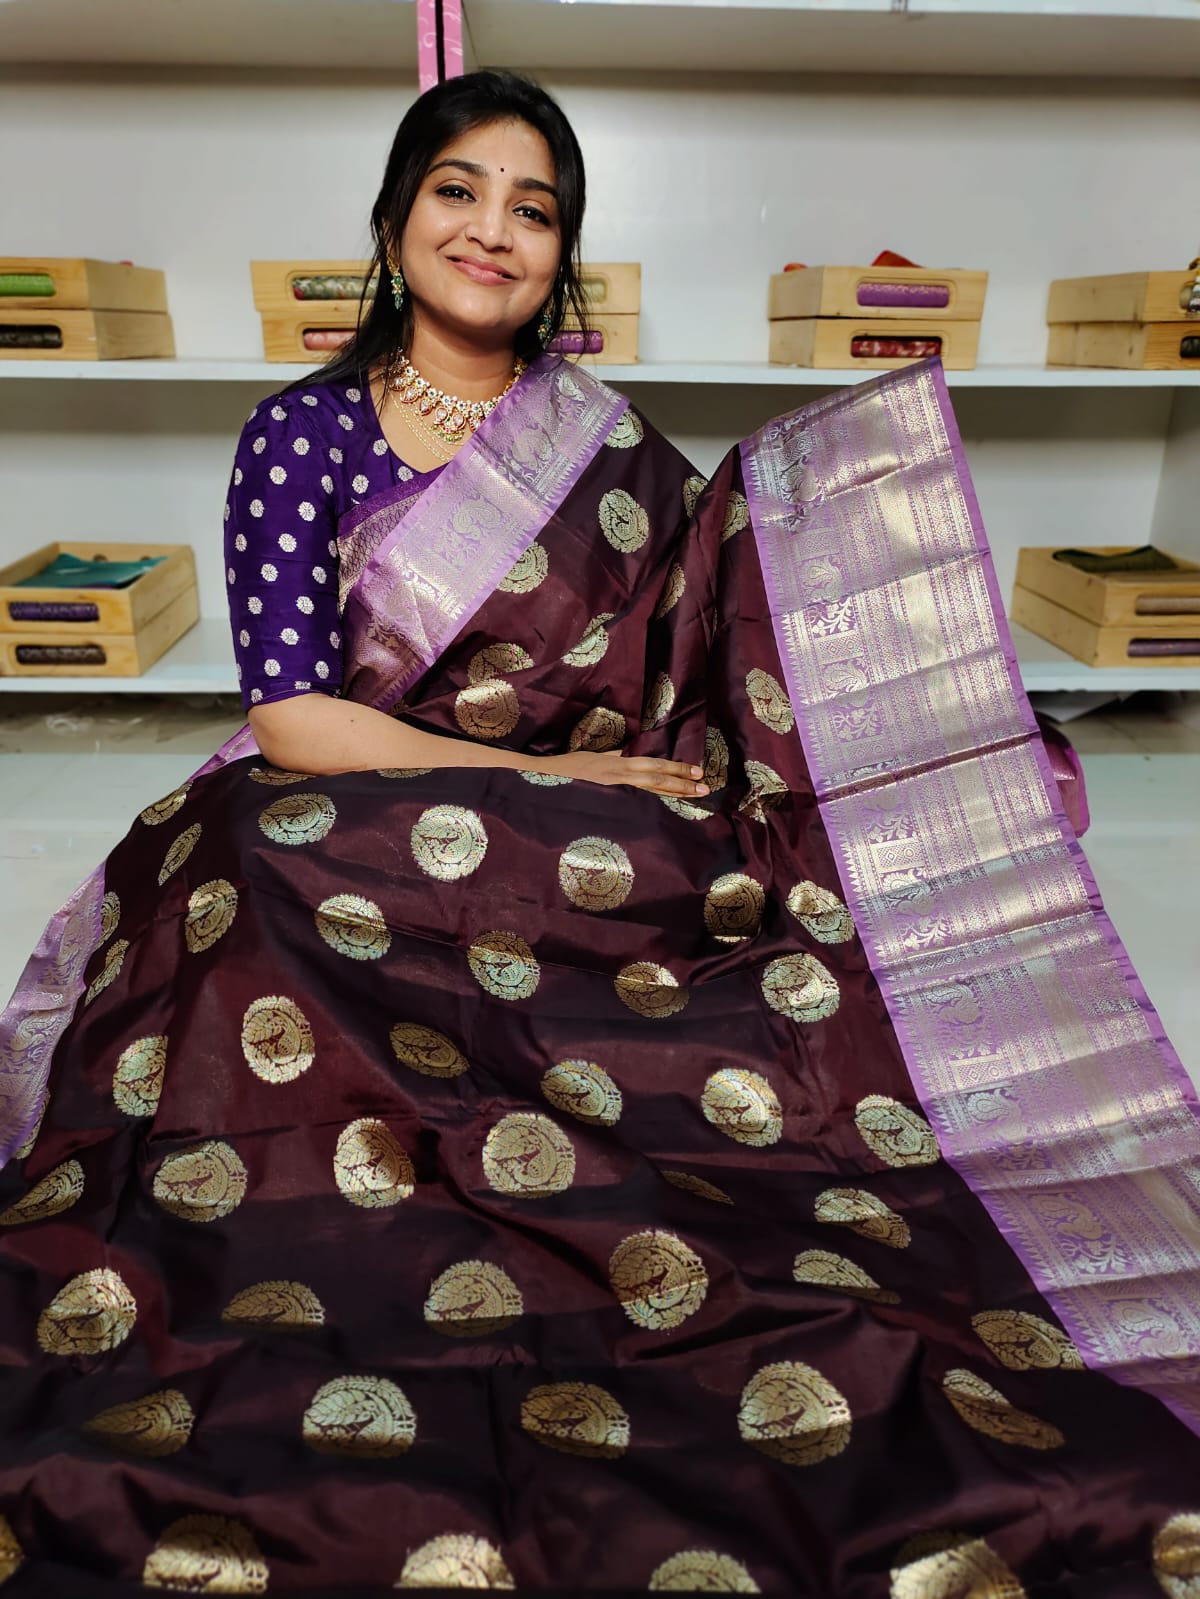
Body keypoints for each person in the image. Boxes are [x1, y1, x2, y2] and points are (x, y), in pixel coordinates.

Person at [1, 69, 1198, 1598]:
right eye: (458, 189)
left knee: (729, 876)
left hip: (589, 806)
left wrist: (849, 558)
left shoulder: (594, 438)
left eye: (535, 207)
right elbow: (295, 718)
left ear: (561, 252)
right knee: (258, 848)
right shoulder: (299, 436)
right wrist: (544, 788)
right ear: (393, 216)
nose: (491, 229)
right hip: (372, 800)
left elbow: (706, 609)